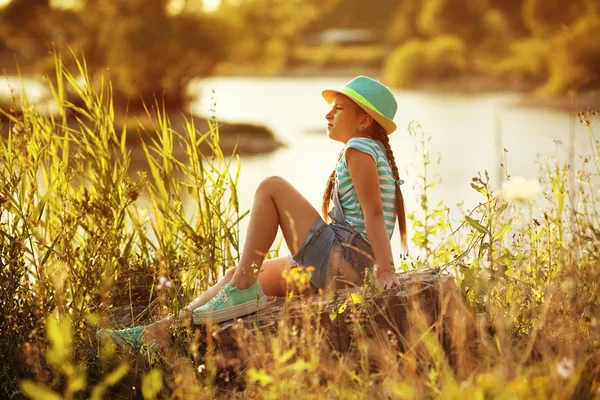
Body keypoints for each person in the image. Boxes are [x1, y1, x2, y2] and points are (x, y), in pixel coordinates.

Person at [97, 75, 407, 350]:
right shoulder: (368, 151)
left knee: (271, 186)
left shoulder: (360, 149)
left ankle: (241, 288)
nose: (328, 114)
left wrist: (385, 271)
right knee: (238, 275)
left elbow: (374, 214)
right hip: (342, 265)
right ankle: (157, 333)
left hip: (346, 261)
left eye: (338, 109)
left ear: (364, 121)